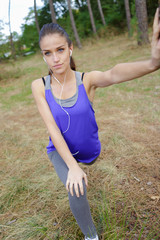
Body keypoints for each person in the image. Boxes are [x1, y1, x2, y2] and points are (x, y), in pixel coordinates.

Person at [31, 8, 160, 240]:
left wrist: (152, 63)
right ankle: (92, 236)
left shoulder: (86, 80)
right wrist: (72, 166)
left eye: (60, 50)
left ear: (70, 48)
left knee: (83, 166)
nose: (55, 58)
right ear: (43, 56)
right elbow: (52, 130)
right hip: (59, 150)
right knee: (76, 189)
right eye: (48, 53)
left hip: (89, 149)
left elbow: (113, 73)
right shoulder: (39, 86)